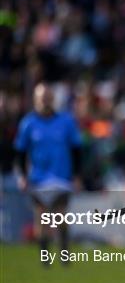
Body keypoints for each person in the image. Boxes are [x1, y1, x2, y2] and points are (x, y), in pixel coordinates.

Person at [14, 82, 83, 265]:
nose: (45, 101)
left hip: (61, 177)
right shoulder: (28, 123)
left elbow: (77, 149)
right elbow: (20, 152)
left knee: (61, 217)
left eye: (47, 97)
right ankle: (45, 259)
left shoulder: (66, 121)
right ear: (35, 99)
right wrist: (22, 176)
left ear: (52, 99)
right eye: (41, 98)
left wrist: (77, 175)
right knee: (42, 220)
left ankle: (64, 256)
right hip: (38, 178)